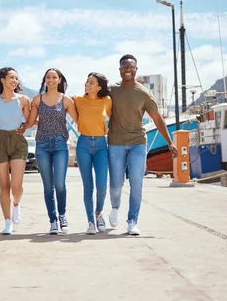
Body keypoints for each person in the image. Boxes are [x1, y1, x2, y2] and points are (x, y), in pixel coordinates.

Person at [107, 54, 177, 235]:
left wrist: (170, 142)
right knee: (116, 183)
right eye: (124, 67)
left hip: (138, 142)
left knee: (136, 183)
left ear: (136, 70)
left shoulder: (144, 93)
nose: (127, 70)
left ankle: (132, 221)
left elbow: (157, 119)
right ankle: (115, 207)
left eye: (131, 67)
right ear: (120, 69)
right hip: (115, 142)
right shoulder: (111, 90)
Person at [24, 68, 78, 234]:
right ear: (45, 80)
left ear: (60, 79)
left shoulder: (67, 100)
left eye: (54, 77)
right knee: (48, 186)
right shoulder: (38, 100)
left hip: (61, 144)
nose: (51, 80)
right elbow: (30, 122)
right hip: (42, 145)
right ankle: (53, 220)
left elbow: (79, 121)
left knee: (59, 184)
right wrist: (20, 123)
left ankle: (62, 215)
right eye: (48, 77)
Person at [0, 67, 30, 235]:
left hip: (18, 141)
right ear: (2, 80)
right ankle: (7, 221)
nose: (14, 81)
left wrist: (24, 126)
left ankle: (17, 204)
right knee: (4, 186)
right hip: (0, 141)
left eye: (16, 78)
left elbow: (30, 120)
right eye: (11, 77)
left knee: (16, 187)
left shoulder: (23, 100)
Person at [73, 72, 112, 235]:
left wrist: (109, 128)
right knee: (88, 186)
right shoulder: (77, 100)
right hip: (83, 144)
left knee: (102, 185)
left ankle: (98, 213)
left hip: (101, 145)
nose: (87, 84)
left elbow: (113, 118)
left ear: (99, 87)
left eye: (91, 82)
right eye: (87, 81)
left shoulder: (107, 101)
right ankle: (90, 221)